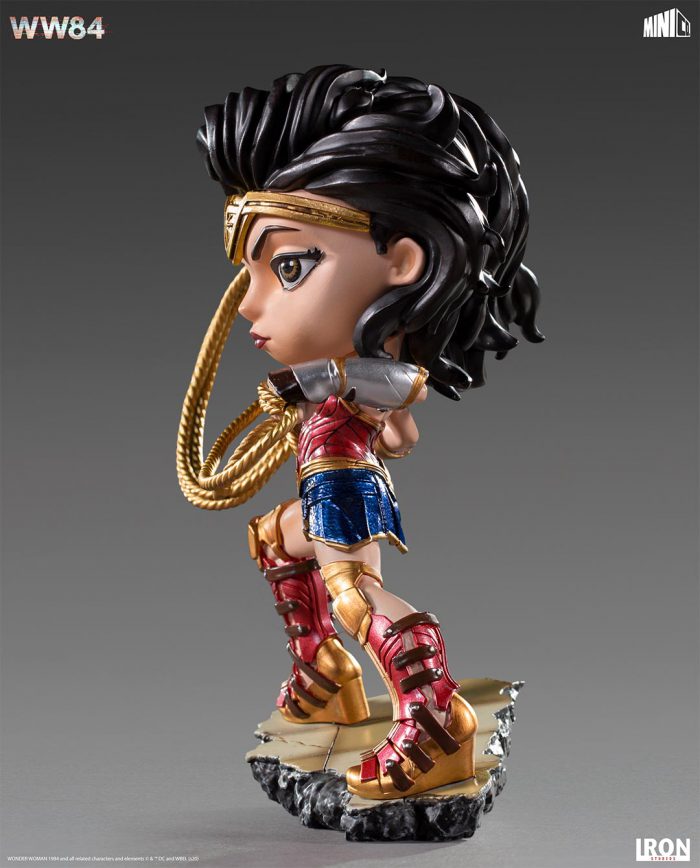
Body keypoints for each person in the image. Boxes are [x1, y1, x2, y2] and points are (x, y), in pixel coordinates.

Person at [185, 64, 543, 800]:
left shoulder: (371, 373)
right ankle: (327, 677)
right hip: (328, 478)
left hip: (344, 486)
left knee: (353, 592)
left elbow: (401, 392)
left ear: (403, 263)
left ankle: (436, 720)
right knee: (274, 539)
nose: (249, 304)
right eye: (253, 271)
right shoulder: (350, 376)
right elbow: (402, 434)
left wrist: (319, 385)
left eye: (289, 266)